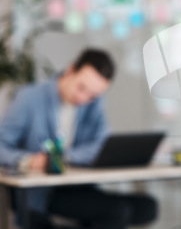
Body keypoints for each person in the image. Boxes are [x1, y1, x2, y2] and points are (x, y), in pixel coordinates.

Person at [0, 49, 157, 229]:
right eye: (81, 88)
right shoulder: (30, 98)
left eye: (92, 95)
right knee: (116, 211)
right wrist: (27, 161)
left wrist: (63, 157)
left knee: (147, 207)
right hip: (43, 191)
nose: (84, 98)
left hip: (77, 184)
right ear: (71, 70)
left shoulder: (93, 102)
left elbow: (101, 144)